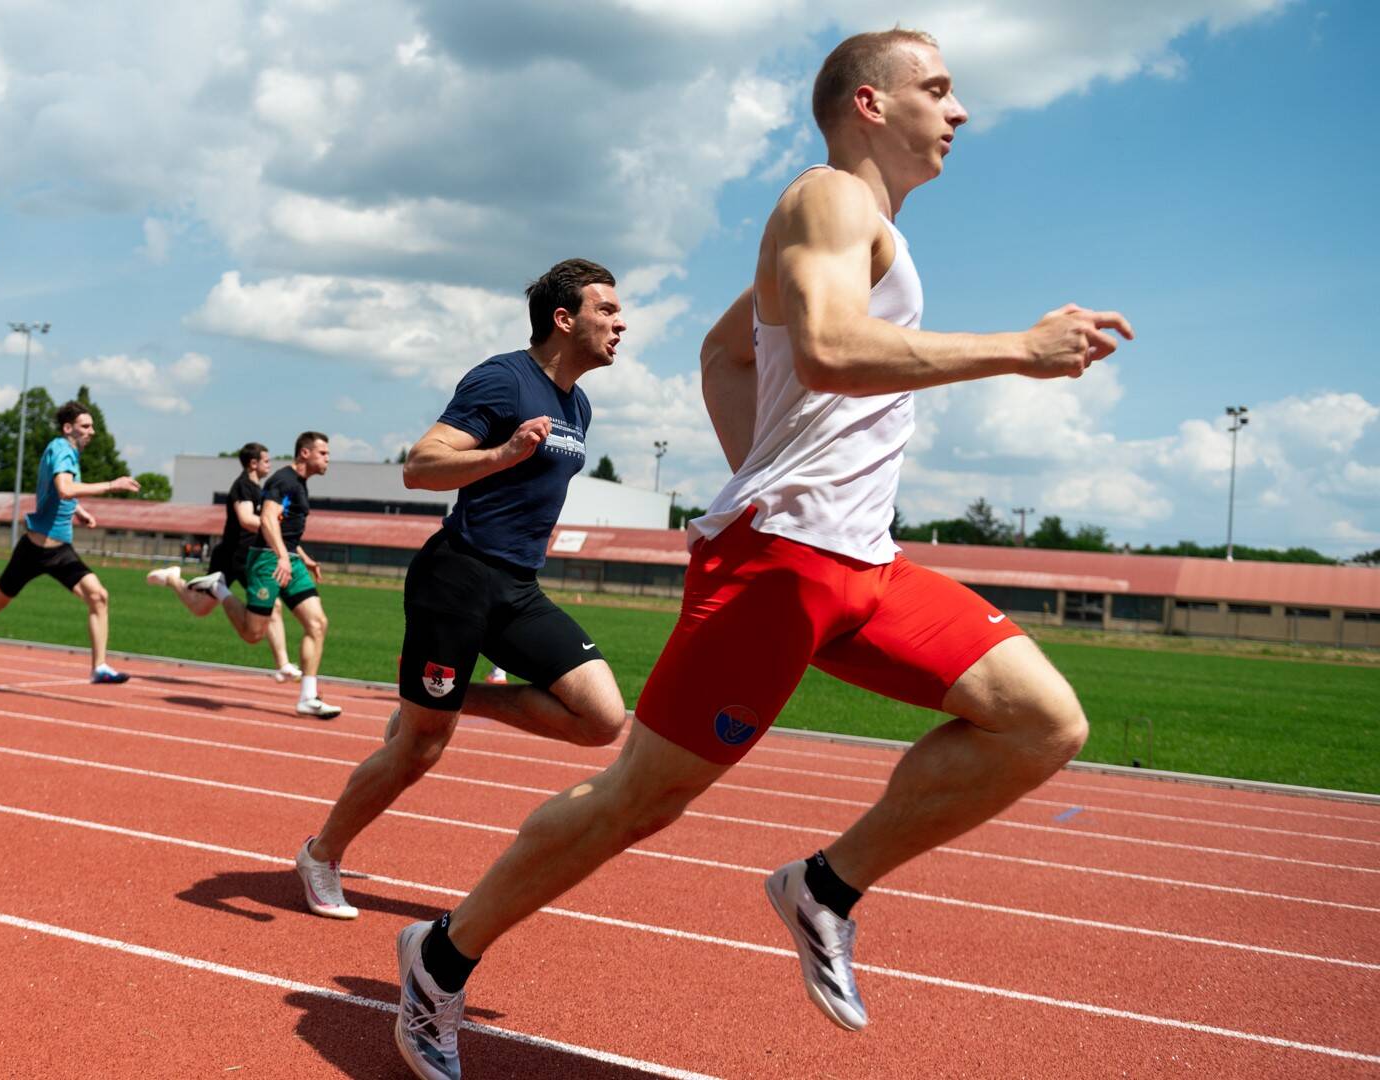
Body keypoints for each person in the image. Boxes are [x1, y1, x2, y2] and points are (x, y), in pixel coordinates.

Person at [388, 29, 1135, 1079]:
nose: (960, 111)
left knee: (1043, 722)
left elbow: (726, 348)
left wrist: (775, 462)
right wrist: (1018, 348)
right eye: (939, 88)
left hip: (860, 563)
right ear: (870, 104)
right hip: (779, 565)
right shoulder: (826, 199)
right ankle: (440, 959)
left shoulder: (866, 225)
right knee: (638, 800)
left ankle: (823, 889)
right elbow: (828, 348)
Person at [293, 259, 629, 922]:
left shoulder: (578, 404)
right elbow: (420, 467)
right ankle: (321, 853)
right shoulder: (503, 379)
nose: (620, 325)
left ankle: (442, 699)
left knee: (602, 718)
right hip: (458, 576)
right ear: (565, 319)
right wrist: (501, 455)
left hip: (516, 585)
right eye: (607, 311)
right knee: (420, 749)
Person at [0, 401, 140, 683]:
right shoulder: (62, 449)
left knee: (98, 596)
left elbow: (57, 493)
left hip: (61, 550)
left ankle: (100, 667)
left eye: (92, 426)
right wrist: (112, 485)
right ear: (68, 428)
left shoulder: (67, 451)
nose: (92, 432)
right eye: (86, 426)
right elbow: (64, 488)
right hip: (34, 549)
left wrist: (78, 512)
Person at [179, 432, 343, 718]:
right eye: (323, 453)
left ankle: (307, 697)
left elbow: (285, 529)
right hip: (268, 561)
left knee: (317, 623)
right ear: (305, 453)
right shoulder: (284, 480)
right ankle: (220, 588)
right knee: (253, 634)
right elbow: (267, 518)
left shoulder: (300, 485)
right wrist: (281, 556)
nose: (328, 459)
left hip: (289, 560)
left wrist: (303, 558)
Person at [145, 441, 299, 681]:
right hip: (232, 556)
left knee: (273, 606)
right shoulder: (243, 487)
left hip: (251, 557)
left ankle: (283, 664)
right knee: (200, 608)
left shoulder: (260, 491)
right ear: (253, 463)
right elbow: (246, 519)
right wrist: (273, 525)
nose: (270, 464)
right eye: (266, 460)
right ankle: (174, 579)